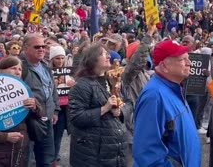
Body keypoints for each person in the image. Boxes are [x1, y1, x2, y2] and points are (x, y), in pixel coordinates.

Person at [132, 39, 201, 167]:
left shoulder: (174, 89)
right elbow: (147, 154)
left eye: (188, 58)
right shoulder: (154, 96)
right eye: (182, 60)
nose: (189, 63)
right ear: (164, 66)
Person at [68, 43, 128, 166]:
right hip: (93, 155)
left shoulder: (113, 80)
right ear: (92, 59)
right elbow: (76, 117)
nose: (108, 56)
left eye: (107, 53)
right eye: (103, 54)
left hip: (115, 152)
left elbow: (129, 102)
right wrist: (104, 109)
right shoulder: (82, 85)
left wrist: (121, 111)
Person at [0, 56, 42, 167]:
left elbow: (40, 115)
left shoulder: (23, 90)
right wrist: (4, 137)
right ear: (1, 70)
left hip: (18, 149)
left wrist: (34, 107)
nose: (18, 72)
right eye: (13, 68)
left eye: (20, 69)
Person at [120, 20, 156, 167]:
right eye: (144, 56)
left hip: (144, 126)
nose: (147, 59)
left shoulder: (146, 74)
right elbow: (137, 62)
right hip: (131, 128)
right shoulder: (127, 74)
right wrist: (148, 35)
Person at [21, 34, 59, 167]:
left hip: (46, 119)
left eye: (44, 46)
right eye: (37, 47)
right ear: (26, 48)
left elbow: (52, 90)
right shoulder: (19, 66)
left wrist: (55, 111)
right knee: (24, 160)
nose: (42, 49)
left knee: (46, 160)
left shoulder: (45, 66)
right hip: (27, 121)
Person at [48, 45, 71, 165]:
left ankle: (54, 158)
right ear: (52, 59)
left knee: (58, 136)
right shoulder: (47, 72)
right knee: (49, 136)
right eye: (57, 58)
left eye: (62, 58)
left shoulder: (69, 73)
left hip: (64, 109)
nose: (60, 61)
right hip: (51, 108)